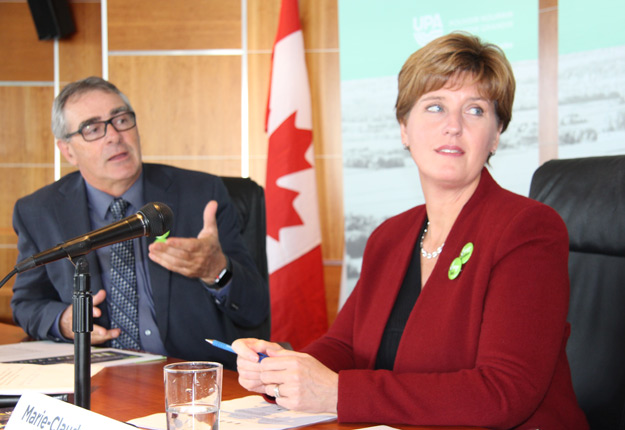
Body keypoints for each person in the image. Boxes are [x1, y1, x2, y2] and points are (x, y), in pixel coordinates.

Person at [232, 32, 589, 429]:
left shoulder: (528, 230)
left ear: (496, 135)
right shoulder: (390, 236)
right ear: (404, 128)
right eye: (435, 107)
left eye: (475, 110)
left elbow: (503, 393)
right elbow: (346, 346)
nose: (453, 126)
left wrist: (337, 392)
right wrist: (282, 371)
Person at [11, 76, 270, 369]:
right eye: (93, 129)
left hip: (190, 377)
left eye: (121, 120)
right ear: (68, 150)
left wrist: (217, 270)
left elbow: (255, 309)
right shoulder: (39, 211)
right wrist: (63, 321)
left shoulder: (201, 194)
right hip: (96, 376)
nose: (114, 136)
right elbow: (27, 304)